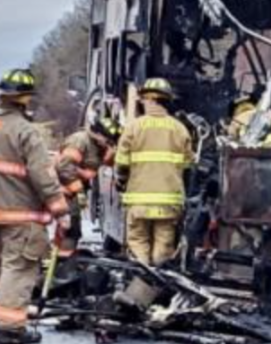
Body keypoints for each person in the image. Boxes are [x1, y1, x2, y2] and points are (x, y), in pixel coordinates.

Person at [0, 69, 69, 344]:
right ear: (24, 100)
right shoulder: (25, 131)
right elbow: (43, 175)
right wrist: (61, 211)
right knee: (17, 268)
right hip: (20, 217)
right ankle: (8, 328)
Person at [114, 78, 193, 266]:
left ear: (150, 100)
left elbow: (121, 163)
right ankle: (160, 282)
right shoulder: (180, 129)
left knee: (138, 243)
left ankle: (140, 283)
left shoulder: (134, 127)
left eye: (143, 99)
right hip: (169, 201)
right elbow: (188, 166)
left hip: (138, 200)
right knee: (163, 246)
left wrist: (121, 182)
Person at [55, 116, 120, 257]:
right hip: (65, 192)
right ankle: (63, 265)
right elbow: (64, 167)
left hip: (74, 192)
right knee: (70, 230)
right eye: (107, 140)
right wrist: (78, 190)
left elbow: (100, 162)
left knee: (73, 230)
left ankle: (65, 260)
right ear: (98, 134)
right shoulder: (80, 141)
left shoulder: (96, 145)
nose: (108, 144)